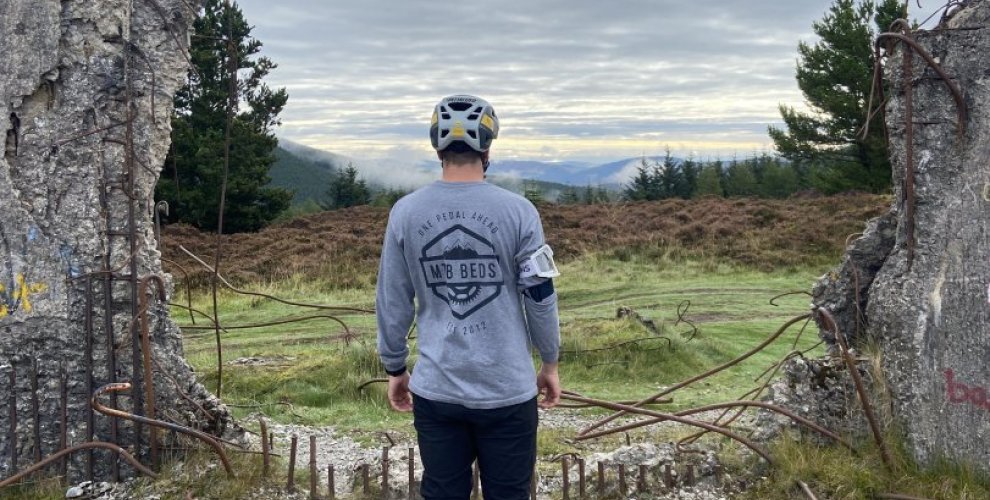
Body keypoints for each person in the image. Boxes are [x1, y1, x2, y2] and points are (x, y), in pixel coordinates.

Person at [376, 94, 562, 499]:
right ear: (487, 148)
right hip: (508, 391)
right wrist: (549, 360)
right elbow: (541, 294)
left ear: (437, 148)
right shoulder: (520, 212)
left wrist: (395, 368)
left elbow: (392, 299)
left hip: (436, 389)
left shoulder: (406, 212)